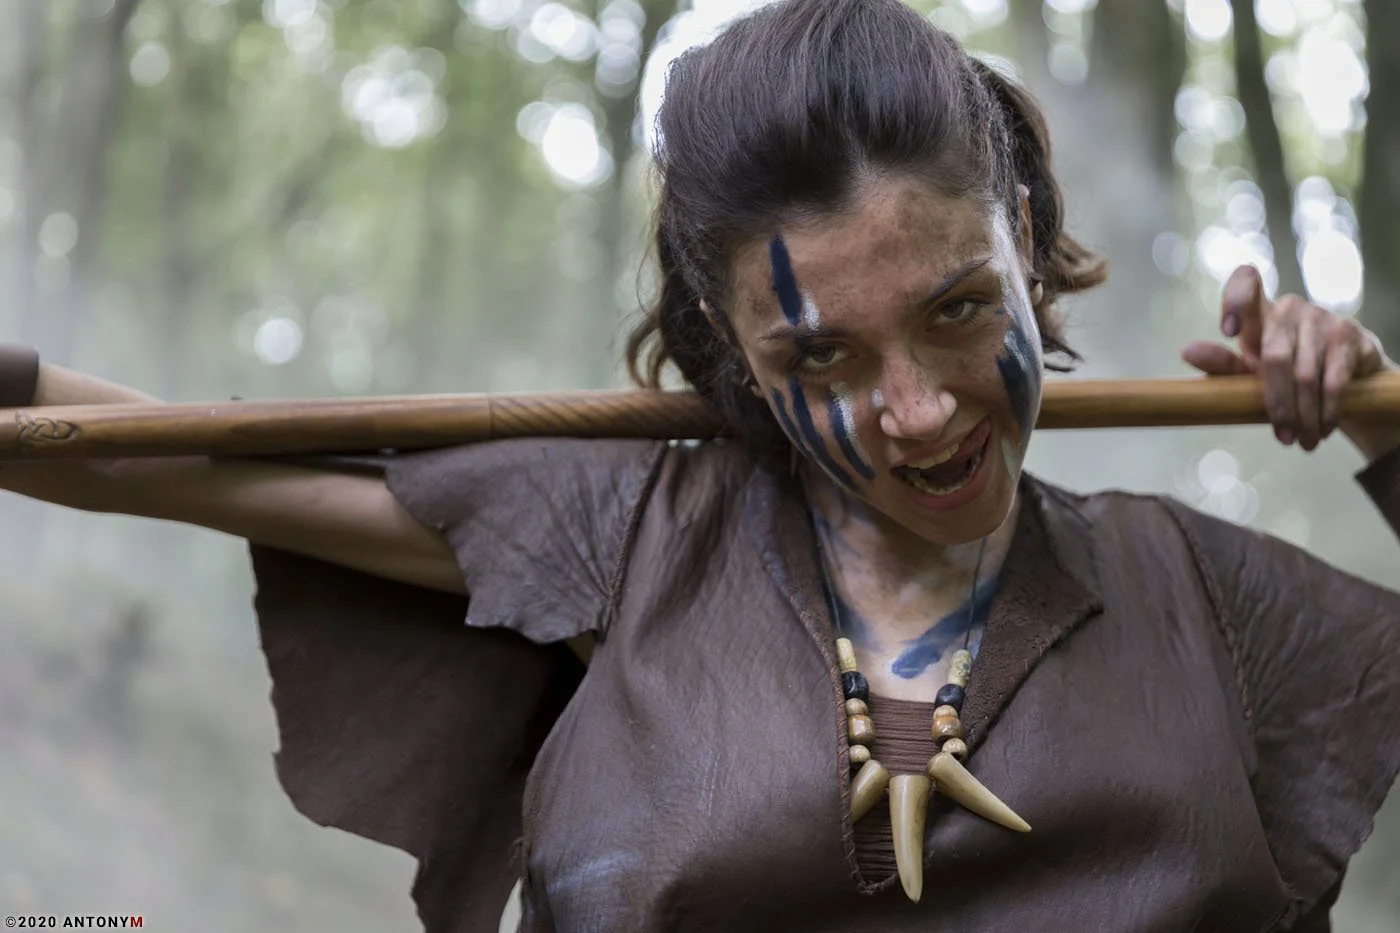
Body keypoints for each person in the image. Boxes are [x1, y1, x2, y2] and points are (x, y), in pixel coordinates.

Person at [4, 0, 1400, 929]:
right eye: (823, 360)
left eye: (959, 310)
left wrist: (1387, 421)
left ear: (1025, 242)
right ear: (733, 357)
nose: (915, 411)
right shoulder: (636, 535)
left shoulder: (1216, 605)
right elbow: (148, 457)